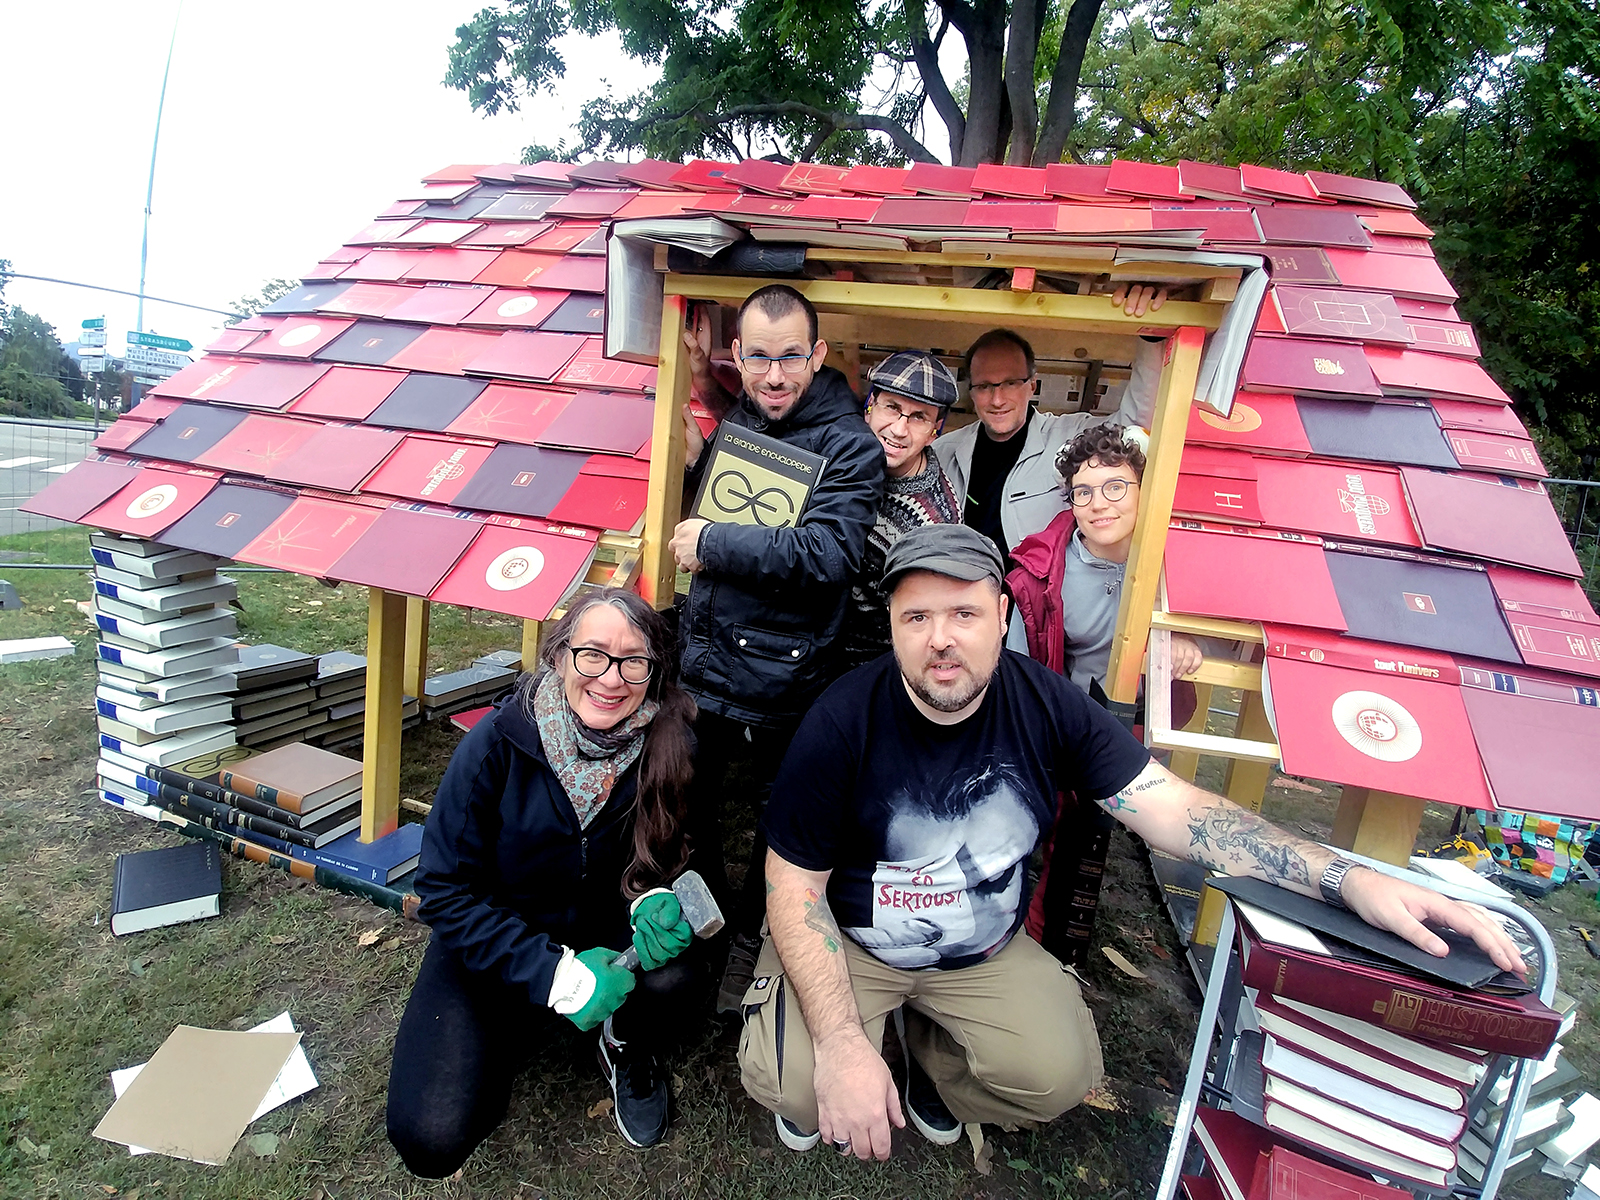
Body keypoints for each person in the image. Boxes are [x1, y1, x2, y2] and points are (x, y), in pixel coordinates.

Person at [738, 524, 1525, 1160]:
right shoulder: (843, 720)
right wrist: (841, 1042)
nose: (941, 640)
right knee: (803, 1084)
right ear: (892, 628)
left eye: (964, 614)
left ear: (1002, 616)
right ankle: (857, 1042)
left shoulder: (1048, 707)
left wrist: (1345, 877)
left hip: (979, 950)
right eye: (916, 618)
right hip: (858, 941)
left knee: (1056, 1077)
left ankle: (934, 1068)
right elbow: (793, 885)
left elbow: (1177, 811)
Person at [387, 589, 704, 1167]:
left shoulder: (670, 744)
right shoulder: (497, 745)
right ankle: (519, 1014)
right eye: (592, 654)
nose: (611, 678)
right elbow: (442, 890)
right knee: (430, 1137)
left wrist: (655, 895)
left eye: (634, 660)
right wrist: (550, 973)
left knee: (677, 975)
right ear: (559, 656)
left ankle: (624, 1043)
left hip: (606, 934)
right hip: (498, 940)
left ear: (653, 671)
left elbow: (687, 854)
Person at [672, 284, 886, 1009]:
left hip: (783, 678)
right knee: (686, 800)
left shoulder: (849, 442)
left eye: (790, 358)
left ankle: (758, 943)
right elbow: (731, 496)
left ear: (818, 354)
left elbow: (829, 552)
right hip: (707, 663)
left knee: (778, 822)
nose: (773, 375)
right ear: (738, 355)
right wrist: (702, 442)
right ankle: (703, 925)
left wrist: (712, 541)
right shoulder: (745, 410)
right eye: (758, 358)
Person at [932, 285, 1168, 555]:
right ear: (971, 392)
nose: (997, 399)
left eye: (1010, 383)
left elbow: (1135, 424)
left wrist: (1152, 337)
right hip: (963, 589)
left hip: (1035, 594)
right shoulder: (945, 451)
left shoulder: (1070, 437)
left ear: (1032, 385)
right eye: (985, 386)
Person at [838, 350, 962, 669]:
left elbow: (921, 623)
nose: (899, 429)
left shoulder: (934, 523)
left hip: (866, 663)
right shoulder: (846, 448)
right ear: (869, 407)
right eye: (892, 408)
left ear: (937, 428)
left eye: (918, 416)